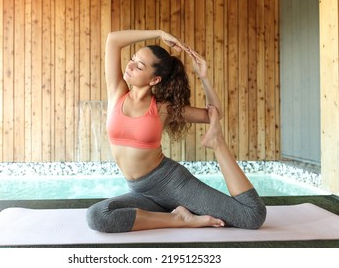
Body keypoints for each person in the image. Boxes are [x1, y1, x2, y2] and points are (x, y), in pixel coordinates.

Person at [86, 30, 266, 233]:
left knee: (252, 216)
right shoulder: (117, 93)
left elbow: (213, 114)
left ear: (154, 80)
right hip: (141, 192)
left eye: (140, 66)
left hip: (171, 184)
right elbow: (113, 40)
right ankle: (179, 218)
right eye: (132, 59)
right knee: (97, 216)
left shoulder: (163, 108)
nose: (130, 65)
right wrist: (159, 33)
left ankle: (217, 143)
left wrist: (204, 77)